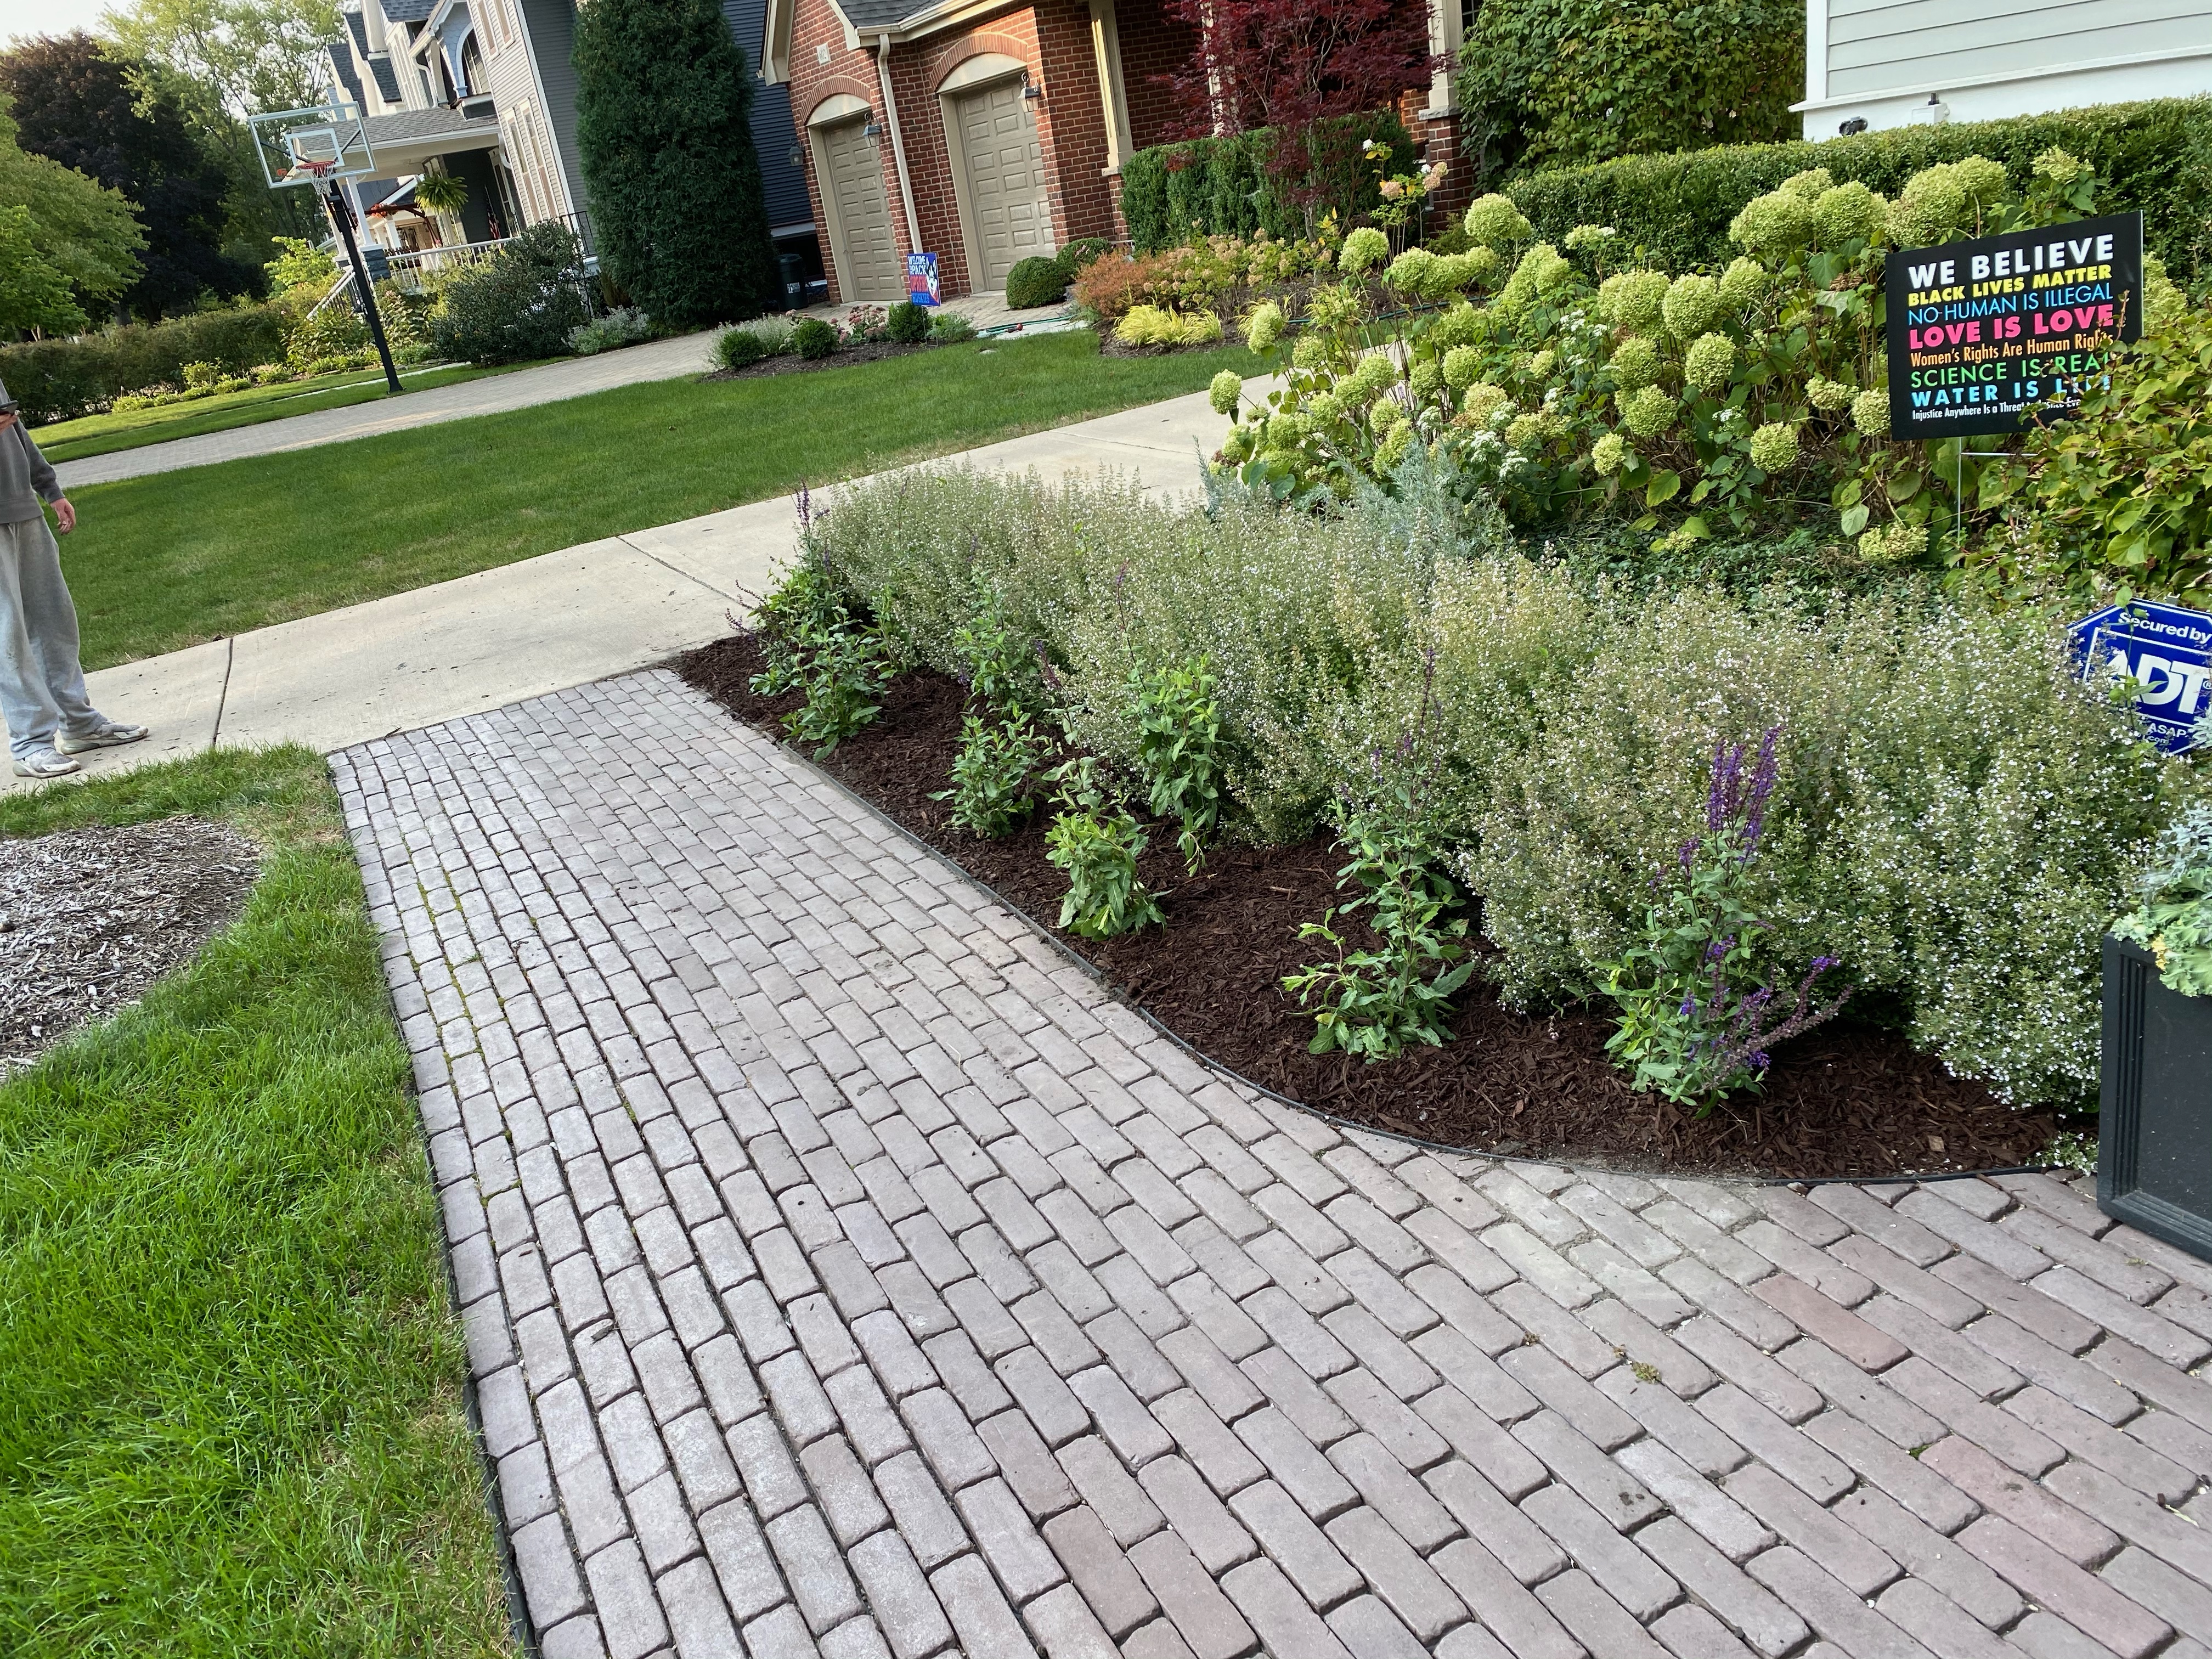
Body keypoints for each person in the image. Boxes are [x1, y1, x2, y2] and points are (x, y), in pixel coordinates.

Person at [1, 377, 148, 778]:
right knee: (9, 634)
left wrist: (48, 487)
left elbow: (15, 430)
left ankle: (79, 725)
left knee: (55, 621)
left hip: (22, 511)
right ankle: (29, 744)